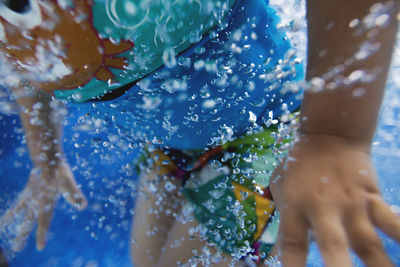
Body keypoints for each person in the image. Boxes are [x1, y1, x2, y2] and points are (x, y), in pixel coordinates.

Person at [0, 0, 399, 266]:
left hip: (266, 130)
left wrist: (333, 134)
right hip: (169, 148)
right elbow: (29, 69)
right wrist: (45, 156)